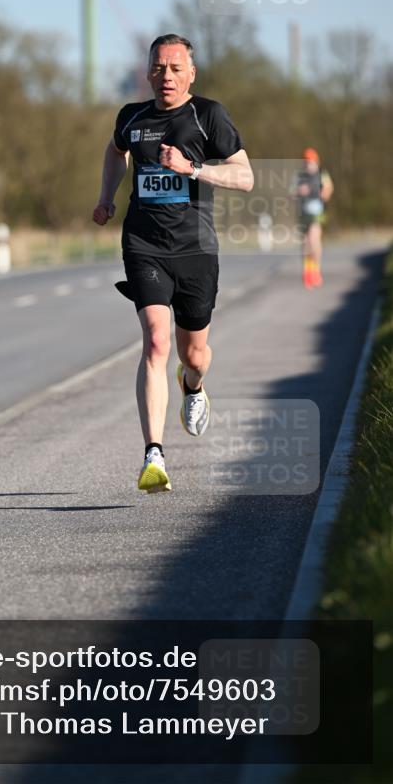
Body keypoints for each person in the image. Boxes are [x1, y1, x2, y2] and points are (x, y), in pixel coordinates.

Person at [92, 34, 253, 493]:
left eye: (176, 68)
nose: (167, 76)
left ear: (191, 73)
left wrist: (193, 169)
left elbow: (245, 177)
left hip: (196, 250)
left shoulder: (209, 116)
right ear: (147, 72)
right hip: (144, 244)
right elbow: (114, 150)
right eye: (159, 68)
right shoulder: (132, 117)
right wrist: (106, 198)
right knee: (156, 341)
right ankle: (154, 456)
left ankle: (194, 387)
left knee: (193, 354)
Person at [295, 148, 334, 288]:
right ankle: (308, 272)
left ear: (316, 162)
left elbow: (328, 189)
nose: (308, 165)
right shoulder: (300, 176)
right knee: (305, 243)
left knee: (313, 239)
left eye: (310, 162)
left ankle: (316, 270)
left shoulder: (322, 174)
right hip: (303, 213)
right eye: (306, 162)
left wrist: (323, 192)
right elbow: (291, 192)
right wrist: (299, 191)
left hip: (317, 212)